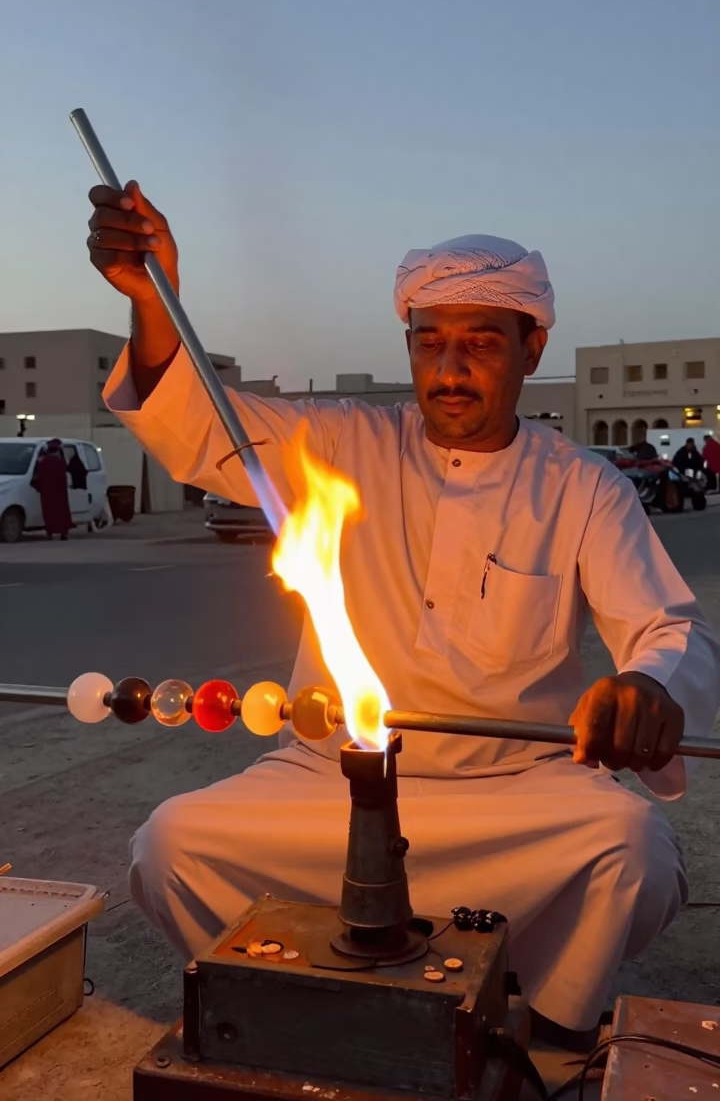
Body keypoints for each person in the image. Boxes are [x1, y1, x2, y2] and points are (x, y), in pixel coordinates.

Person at [87, 182, 720, 1046]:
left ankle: (525, 1030)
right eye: (431, 343)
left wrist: (648, 684)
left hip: (515, 793)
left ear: (532, 349)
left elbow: (668, 627)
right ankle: (312, 1008)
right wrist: (155, 298)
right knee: (172, 847)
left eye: (480, 343)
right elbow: (199, 428)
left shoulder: (583, 486)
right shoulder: (344, 446)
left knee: (633, 853)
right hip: (328, 780)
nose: (451, 370)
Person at [31, 438, 72, 541]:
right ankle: (63, 533)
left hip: (47, 492)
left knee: (49, 512)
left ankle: (50, 532)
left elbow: (38, 476)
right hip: (60, 492)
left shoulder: (42, 462)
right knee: (62, 511)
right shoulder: (60, 462)